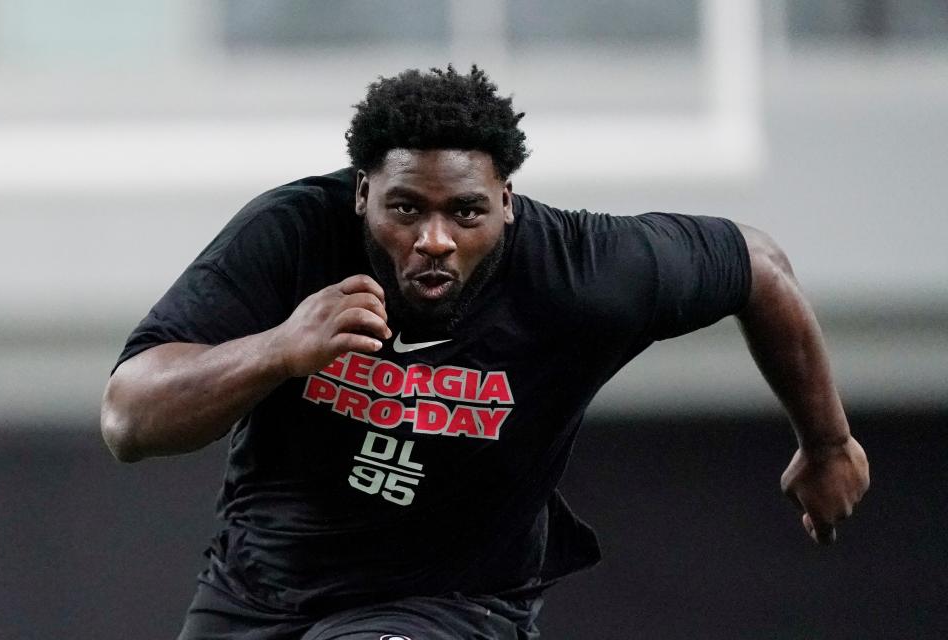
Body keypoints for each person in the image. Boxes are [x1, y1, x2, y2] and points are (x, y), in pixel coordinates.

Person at [100, 65, 869, 640]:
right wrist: (278, 349)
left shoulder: (580, 269)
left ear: (506, 201)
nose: (435, 240)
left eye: (466, 211)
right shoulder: (291, 236)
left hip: (454, 603)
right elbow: (129, 418)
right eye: (406, 209)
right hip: (258, 591)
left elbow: (758, 268)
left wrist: (828, 442)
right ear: (362, 194)